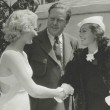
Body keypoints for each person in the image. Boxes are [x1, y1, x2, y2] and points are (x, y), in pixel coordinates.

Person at [0, 9, 68, 110]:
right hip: (11, 106)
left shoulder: (22, 54)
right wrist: (60, 92)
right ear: (24, 29)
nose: (36, 34)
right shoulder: (10, 55)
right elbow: (34, 91)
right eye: (34, 29)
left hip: (24, 105)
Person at [24, 2, 78, 110]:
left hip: (65, 104)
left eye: (60, 20)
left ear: (66, 22)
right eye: (51, 18)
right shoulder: (31, 41)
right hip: (38, 105)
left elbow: (75, 74)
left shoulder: (73, 42)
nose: (54, 23)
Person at [61, 16, 110, 110]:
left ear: (96, 33)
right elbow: (71, 77)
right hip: (86, 105)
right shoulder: (79, 56)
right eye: (80, 31)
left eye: (84, 31)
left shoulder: (108, 53)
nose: (80, 34)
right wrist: (65, 88)